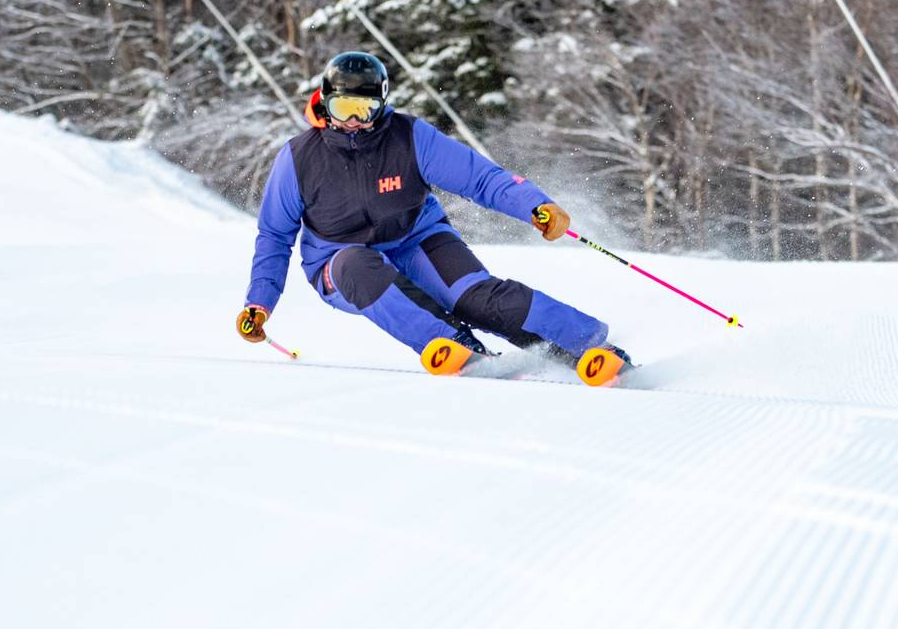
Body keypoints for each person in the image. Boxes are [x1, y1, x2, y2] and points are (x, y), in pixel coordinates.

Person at [235, 51, 630, 385]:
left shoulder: (409, 137)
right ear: (324, 103)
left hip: (416, 239)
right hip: (338, 261)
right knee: (357, 265)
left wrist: (534, 206)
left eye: (364, 110)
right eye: (343, 109)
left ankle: (589, 346)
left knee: (475, 298)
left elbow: (479, 178)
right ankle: (457, 345)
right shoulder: (298, 159)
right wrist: (260, 302)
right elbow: (274, 235)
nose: (353, 121)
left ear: (382, 103)